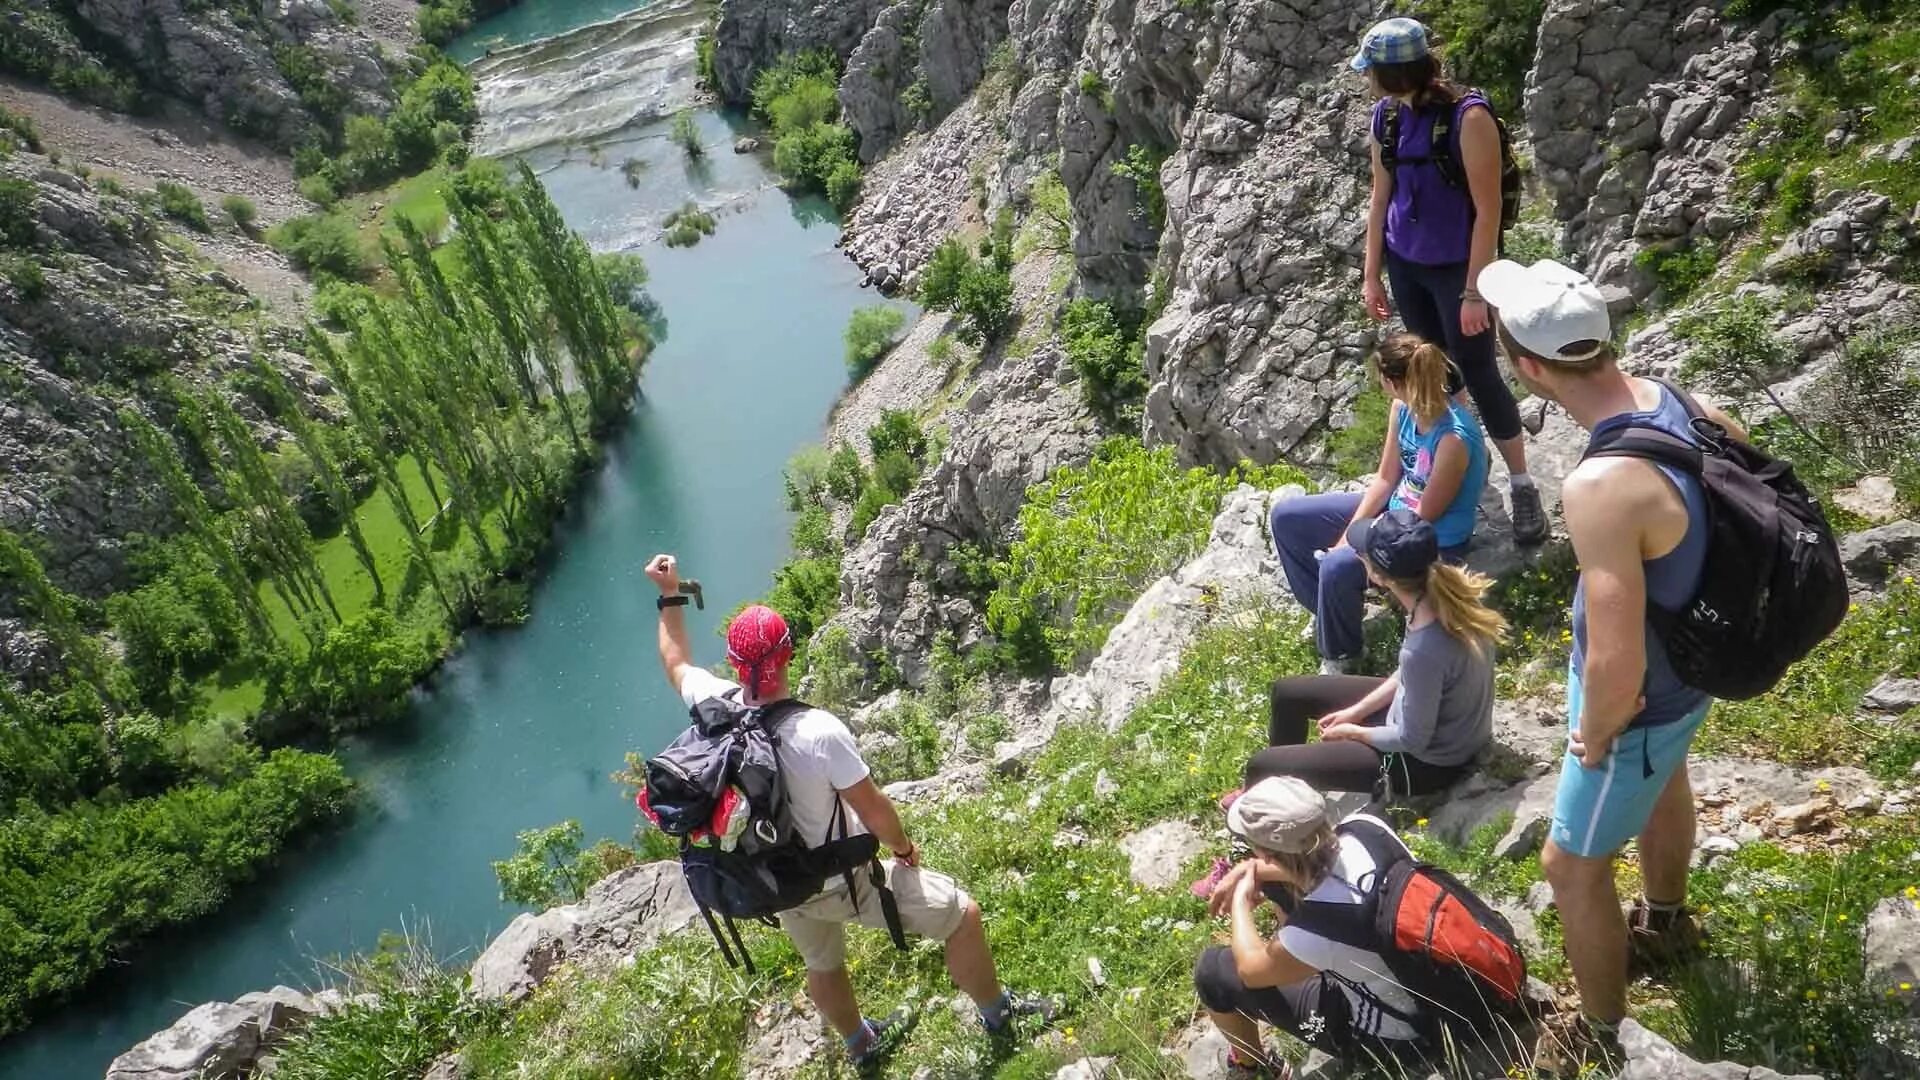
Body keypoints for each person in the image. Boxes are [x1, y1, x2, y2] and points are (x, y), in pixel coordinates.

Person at [1474, 258, 1744, 1074]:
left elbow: (1617, 656)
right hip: (1696, 666)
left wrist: (1595, 734)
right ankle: (1664, 920)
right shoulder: (1684, 403)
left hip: (1640, 700)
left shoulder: (1599, 486)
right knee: (1669, 781)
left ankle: (1599, 1030)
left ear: (1527, 366)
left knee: (1570, 863)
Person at [643, 553, 1053, 1069]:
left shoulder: (716, 705)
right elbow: (874, 809)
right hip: (846, 880)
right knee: (962, 916)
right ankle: (999, 1014)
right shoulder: (818, 732)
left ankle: (861, 1045)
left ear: (734, 662)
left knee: (822, 962)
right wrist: (903, 849)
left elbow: (675, 660)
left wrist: (669, 591)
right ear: (787, 654)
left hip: (778, 880)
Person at [1351, 17, 1548, 546]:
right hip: (1408, 265)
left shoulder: (1470, 117)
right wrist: (1372, 275)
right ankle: (1453, 466)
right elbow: (1380, 198)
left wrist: (1473, 291)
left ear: (1393, 71)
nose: (1366, 80)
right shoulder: (1386, 117)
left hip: (1459, 269)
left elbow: (1487, 212)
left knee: (1480, 372)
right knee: (1431, 375)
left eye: (1371, 71)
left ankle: (1524, 484)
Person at [1269, 331, 1489, 674]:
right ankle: (1332, 612)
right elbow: (1386, 478)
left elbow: (1424, 518)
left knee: (1337, 565)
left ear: (1392, 380)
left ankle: (1341, 657)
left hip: (1429, 538)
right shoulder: (1402, 409)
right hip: (1396, 514)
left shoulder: (1453, 439)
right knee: (1288, 517)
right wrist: (1350, 532)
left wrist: (1359, 546)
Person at [1192, 777, 1440, 1079]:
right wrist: (1252, 869)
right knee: (1280, 890)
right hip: (1433, 983)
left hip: (1398, 1039)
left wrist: (1241, 902)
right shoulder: (1367, 828)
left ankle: (1248, 1066)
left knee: (1213, 971)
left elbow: (1250, 970)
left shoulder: (1315, 931)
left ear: (1265, 852)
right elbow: (1317, 867)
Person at [1250, 507, 1504, 799]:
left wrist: (1353, 732)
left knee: (1262, 766)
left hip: (1428, 764)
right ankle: (1284, 797)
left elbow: (1412, 739)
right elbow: (1413, 676)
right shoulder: (1450, 599)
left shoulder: (1424, 646)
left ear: (1380, 576)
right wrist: (1357, 712)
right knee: (1287, 693)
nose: (1357, 555)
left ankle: (1267, 812)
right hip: (1435, 724)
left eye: (1362, 554)